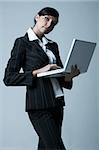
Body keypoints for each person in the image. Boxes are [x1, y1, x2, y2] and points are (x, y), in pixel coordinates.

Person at [3, 7, 80, 150]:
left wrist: (70, 76)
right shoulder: (22, 43)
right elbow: (9, 78)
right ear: (37, 17)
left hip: (57, 103)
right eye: (47, 19)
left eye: (54, 23)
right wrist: (38, 71)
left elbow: (60, 77)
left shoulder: (52, 45)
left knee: (45, 147)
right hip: (39, 106)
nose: (50, 24)